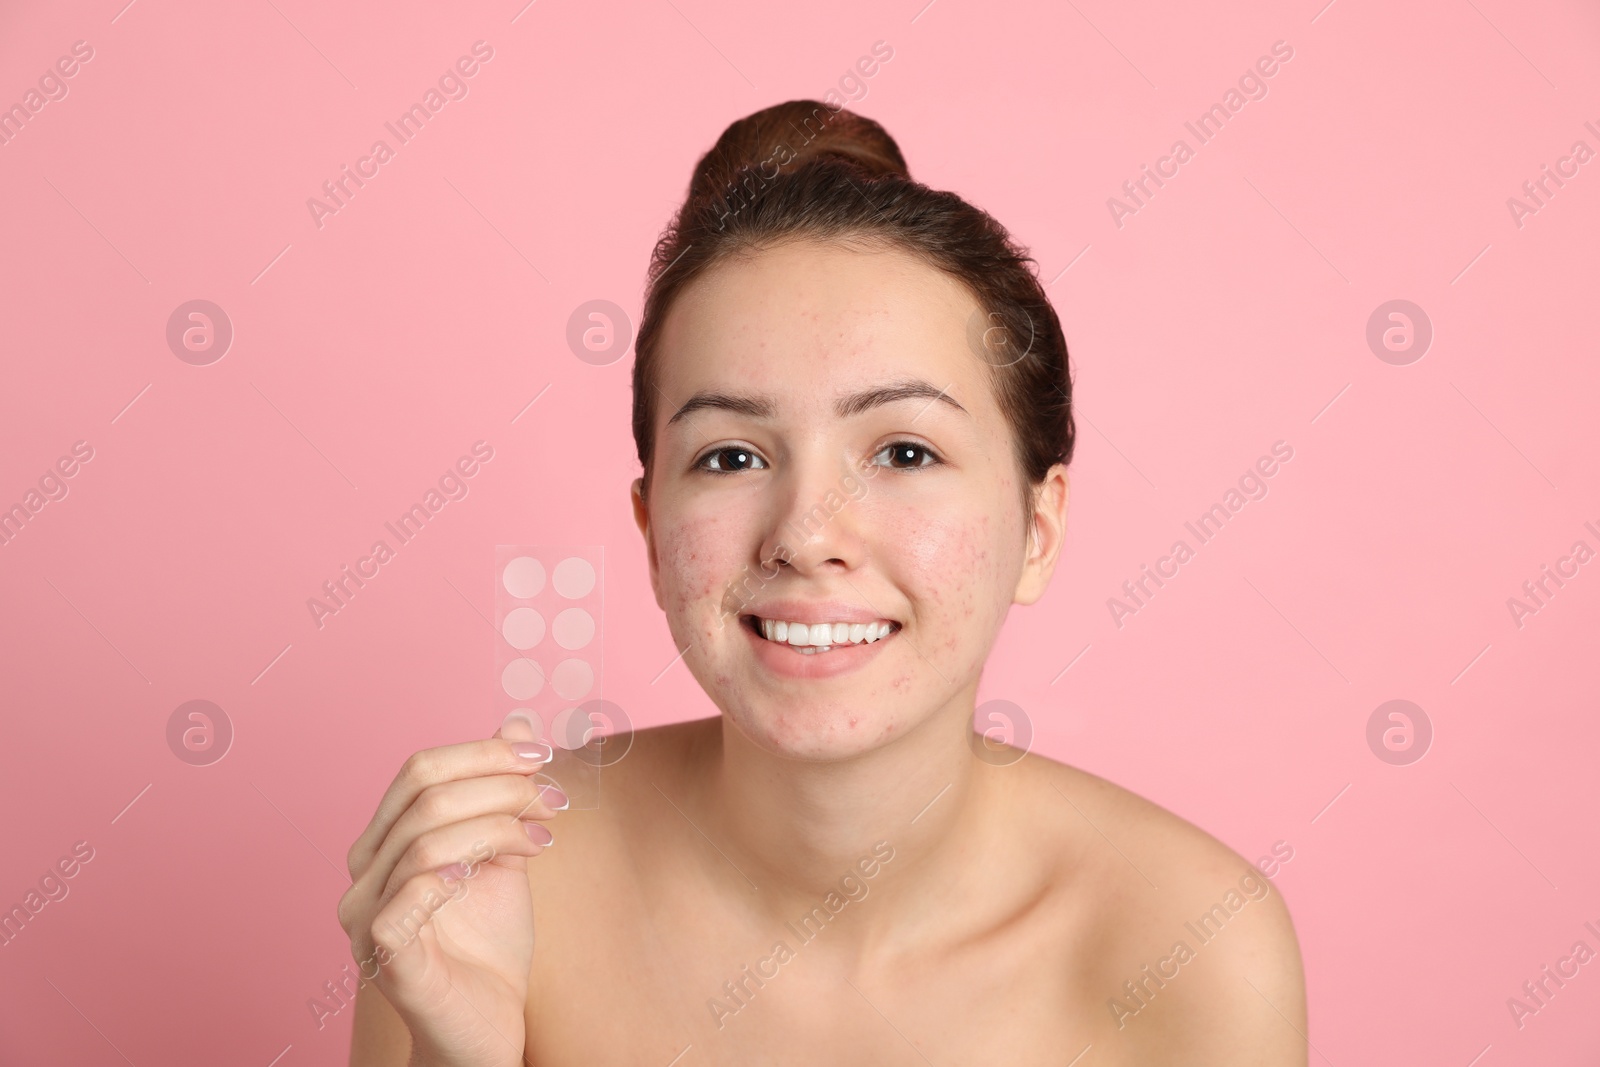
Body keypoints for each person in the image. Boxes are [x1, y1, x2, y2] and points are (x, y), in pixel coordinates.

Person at [340, 100, 1307, 1066]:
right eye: (728, 457)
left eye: (903, 449)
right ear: (649, 534)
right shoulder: (486, 894)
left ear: (1039, 529)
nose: (805, 535)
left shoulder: (1197, 951)